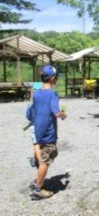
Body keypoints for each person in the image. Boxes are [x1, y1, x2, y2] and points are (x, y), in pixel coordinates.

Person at [29, 65, 67, 200]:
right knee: (45, 161)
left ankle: (37, 180)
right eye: (56, 77)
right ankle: (38, 189)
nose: (56, 79)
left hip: (38, 130)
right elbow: (56, 112)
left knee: (46, 156)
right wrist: (63, 114)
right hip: (48, 133)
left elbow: (32, 111)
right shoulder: (53, 94)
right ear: (52, 78)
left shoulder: (37, 93)